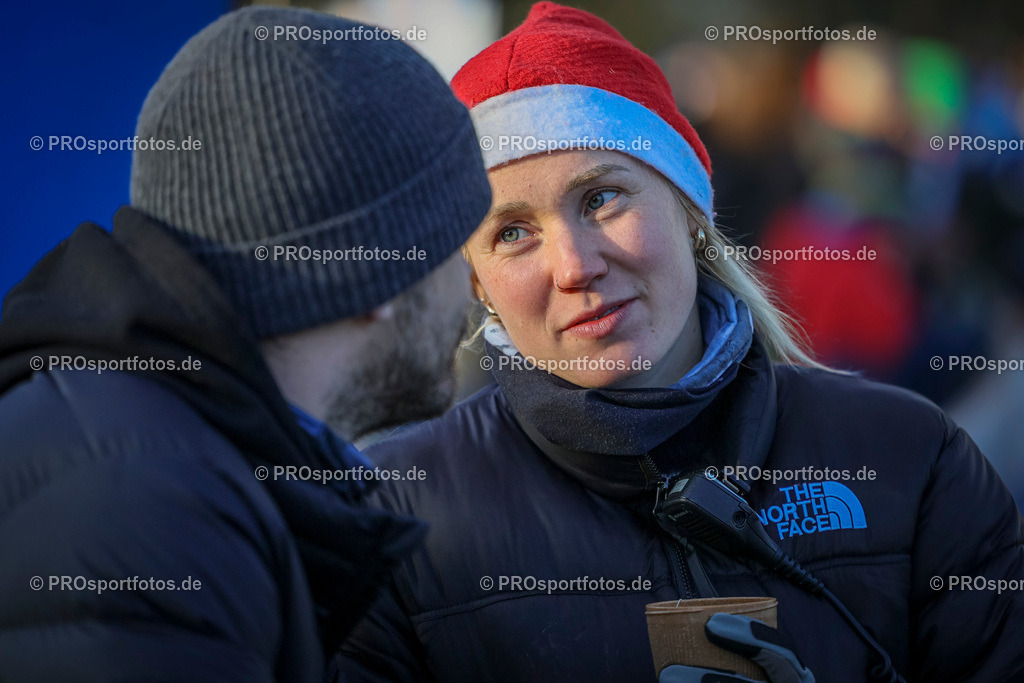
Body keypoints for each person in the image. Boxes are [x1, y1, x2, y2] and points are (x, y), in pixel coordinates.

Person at [333, 3, 1024, 682]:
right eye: (512, 232)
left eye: (602, 197)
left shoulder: (908, 454)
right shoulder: (395, 514)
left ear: (690, 210)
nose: (575, 265)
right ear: (477, 282)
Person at [0, 6, 490, 681]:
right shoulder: (148, 516)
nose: (472, 285)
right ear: (374, 266)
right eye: (453, 244)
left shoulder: (153, 452)